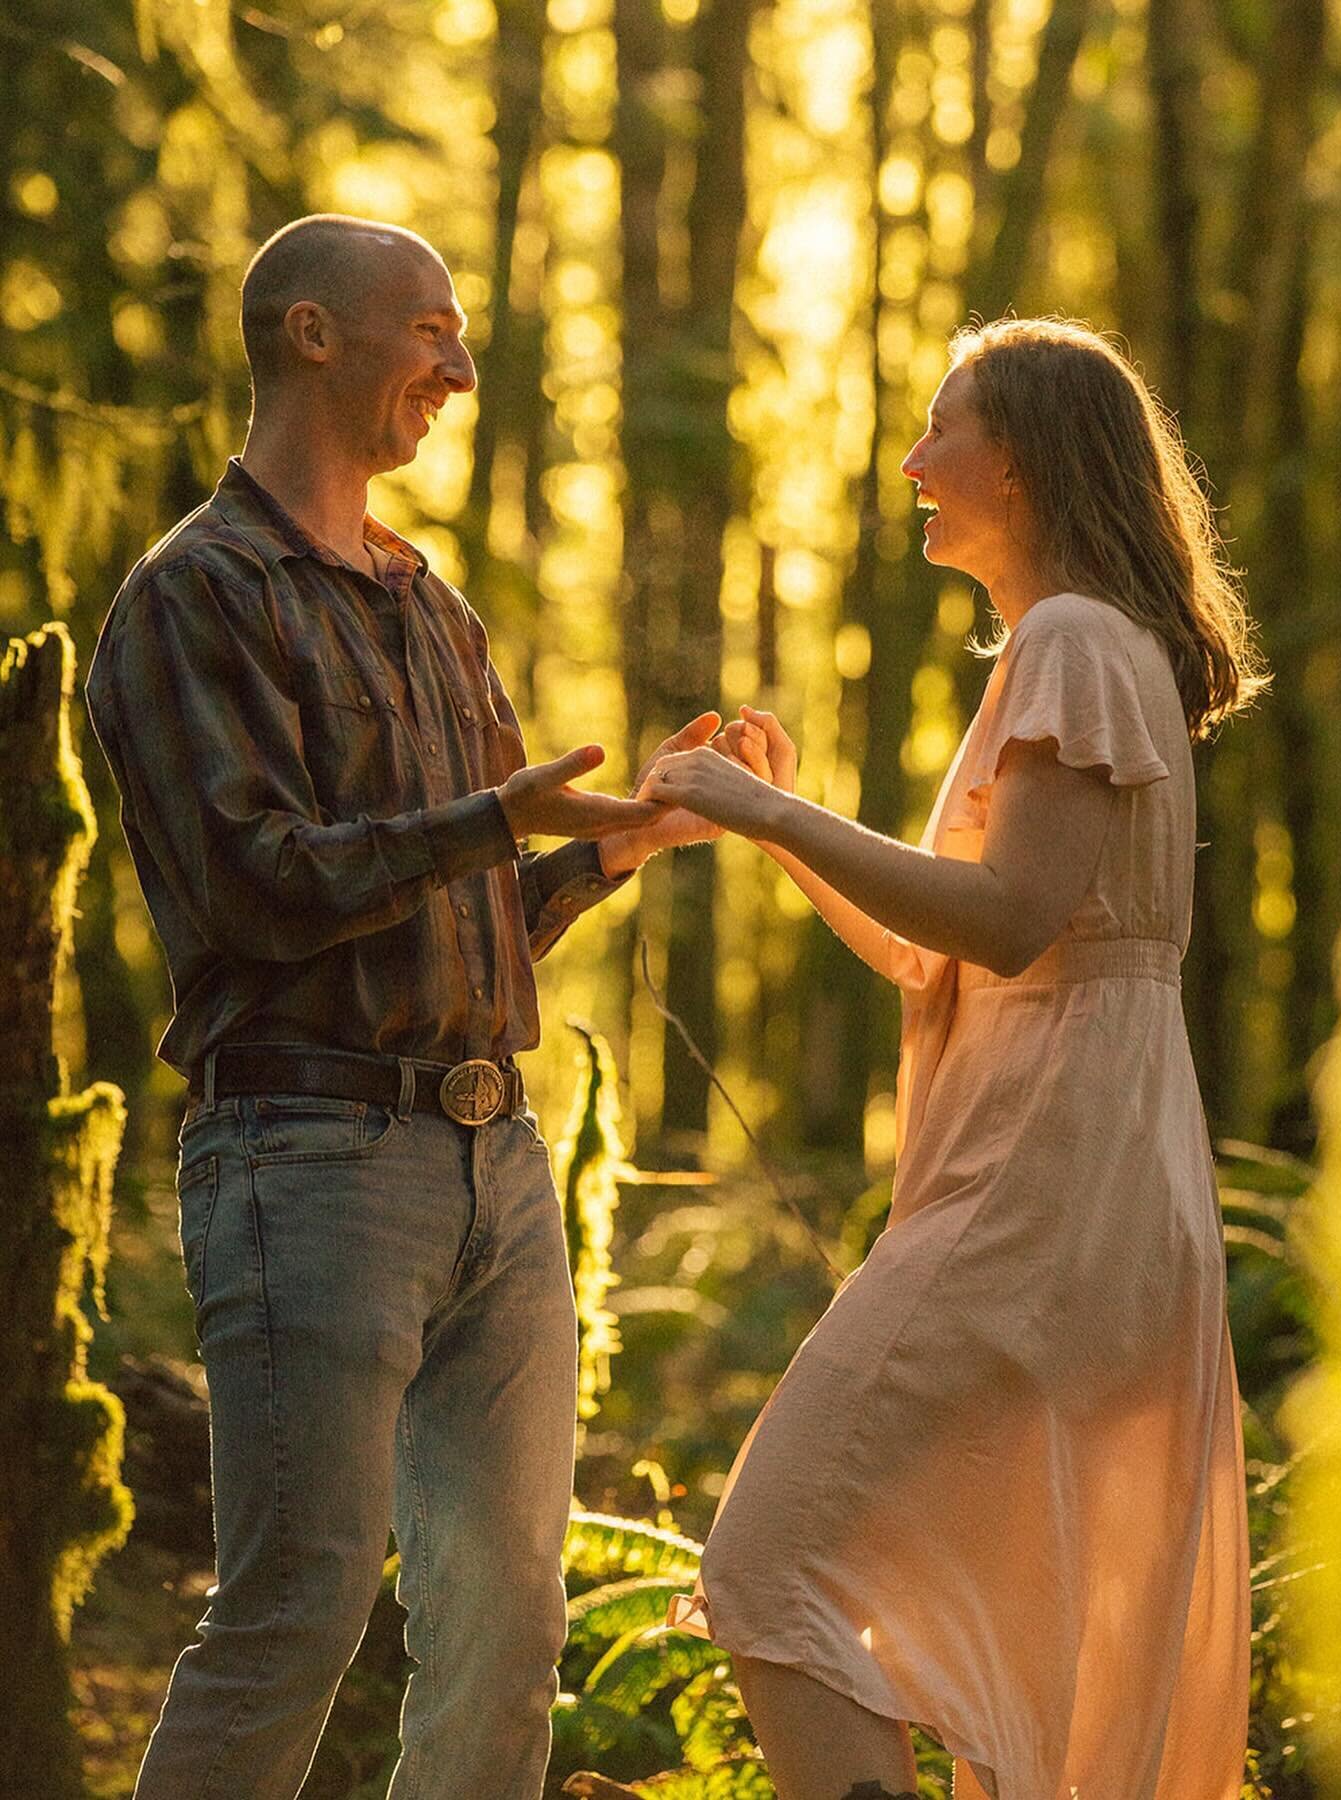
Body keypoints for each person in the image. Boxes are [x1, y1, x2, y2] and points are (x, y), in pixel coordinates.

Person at [85, 213, 725, 1799]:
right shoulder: (194, 596)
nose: (459, 365)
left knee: (508, 1632)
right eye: (432, 329)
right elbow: (259, 891)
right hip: (302, 1158)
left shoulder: (434, 609)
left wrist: (614, 848)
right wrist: (497, 817)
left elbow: (475, 914)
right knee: (295, 1613)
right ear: (314, 333)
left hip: (496, 1170)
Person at [644, 317, 1265, 1800]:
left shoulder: (1072, 640)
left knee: (769, 1564)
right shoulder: (1077, 646)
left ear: (1035, 458)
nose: (915, 462)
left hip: (1041, 1183)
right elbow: (940, 956)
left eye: (944, 430)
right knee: (856, 1580)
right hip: (1073, 1165)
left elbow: (1007, 921)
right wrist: (773, 827)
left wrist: (775, 816)